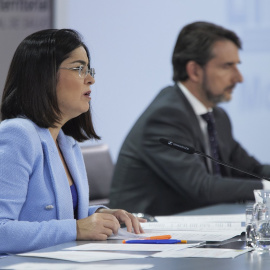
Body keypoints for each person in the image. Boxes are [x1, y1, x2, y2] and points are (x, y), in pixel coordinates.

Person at [0, 29, 145, 254]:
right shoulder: (17, 134)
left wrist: (97, 215)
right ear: (43, 76)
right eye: (79, 69)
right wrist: (77, 228)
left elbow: (50, 213)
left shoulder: (66, 143)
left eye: (89, 70)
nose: (91, 79)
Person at [109, 21, 270, 216]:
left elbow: (251, 168)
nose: (239, 77)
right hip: (143, 238)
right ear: (194, 71)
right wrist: (265, 188)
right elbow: (202, 187)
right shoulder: (165, 116)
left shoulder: (216, 116)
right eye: (228, 66)